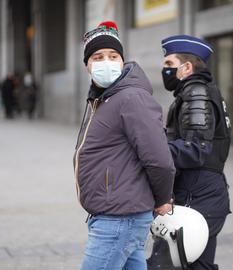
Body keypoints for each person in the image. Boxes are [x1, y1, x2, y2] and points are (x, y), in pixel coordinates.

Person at [74, 21, 176, 270]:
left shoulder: (131, 97)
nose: (106, 61)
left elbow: (159, 158)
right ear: (87, 65)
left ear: (122, 61)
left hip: (119, 218)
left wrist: (163, 198)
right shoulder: (104, 99)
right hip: (116, 215)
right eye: (97, 57)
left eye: (113, 55)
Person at [148, 35, 232, 270]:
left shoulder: (197, 94)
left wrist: (151, 149)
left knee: (172, 264)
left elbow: (196, 149)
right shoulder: (192, 93)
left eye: (169, 64)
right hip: (200, 192)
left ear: (186, 67)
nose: (164, 70)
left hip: (199, 194)